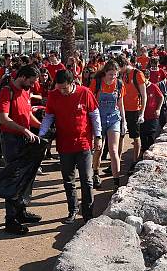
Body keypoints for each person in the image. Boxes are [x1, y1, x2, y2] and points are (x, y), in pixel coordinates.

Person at [39, 70, 101, 224]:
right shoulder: (54, 95)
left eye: (64, 88)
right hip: (64, 145)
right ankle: (72, 210)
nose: (62, 91)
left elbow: (95, 115)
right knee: (68, 181)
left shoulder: (85, 93)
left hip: (83, 144)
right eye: (59, 88)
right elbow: (48, 117)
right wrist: (41, 133)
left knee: (87, 180)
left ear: (72, 83)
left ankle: (87, 213)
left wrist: (98, 137)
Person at [0, 64, 42, 235]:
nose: (32, 85)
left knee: (26, 176)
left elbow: (28, 114)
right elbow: (3, 118)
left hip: (25, 138)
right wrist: (24, 129)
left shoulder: (26, 91)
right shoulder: (7, 92)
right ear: (22, 77)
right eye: (31, 81)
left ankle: (21, 212)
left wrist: (41, 126)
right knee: (14, 178)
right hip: (12, 140)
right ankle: (11, 219)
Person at [89, 60, 126, 189]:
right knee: (98, 149)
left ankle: (116, 182)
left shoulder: (119, 85)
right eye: (111, 74)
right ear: (105, 73)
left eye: (115, 75)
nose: (113, 77)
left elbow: (120, 104)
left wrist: (124, 121)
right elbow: (90, 101)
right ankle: (95, 173)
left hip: (113, 118)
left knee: (114, 150)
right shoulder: (96, 83)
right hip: (99, 118)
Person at [116, 55, 147, 171]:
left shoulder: (137, 74)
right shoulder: (122, 75)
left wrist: (142, 113)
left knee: (135, 137)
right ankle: (116, 161)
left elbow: (144, 95)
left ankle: (134, 162)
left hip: (135, 110)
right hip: (122, 109)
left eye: (119, 68)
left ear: (123, 65)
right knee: (120, 136)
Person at [139, 77, 164, 154]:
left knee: (151, 136)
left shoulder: (153, 86)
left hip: (152, 116)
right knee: (142, 135)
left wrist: (158, 109)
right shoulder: (139, 87)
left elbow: (161, 97)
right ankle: (143, 153)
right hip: (142, 116)